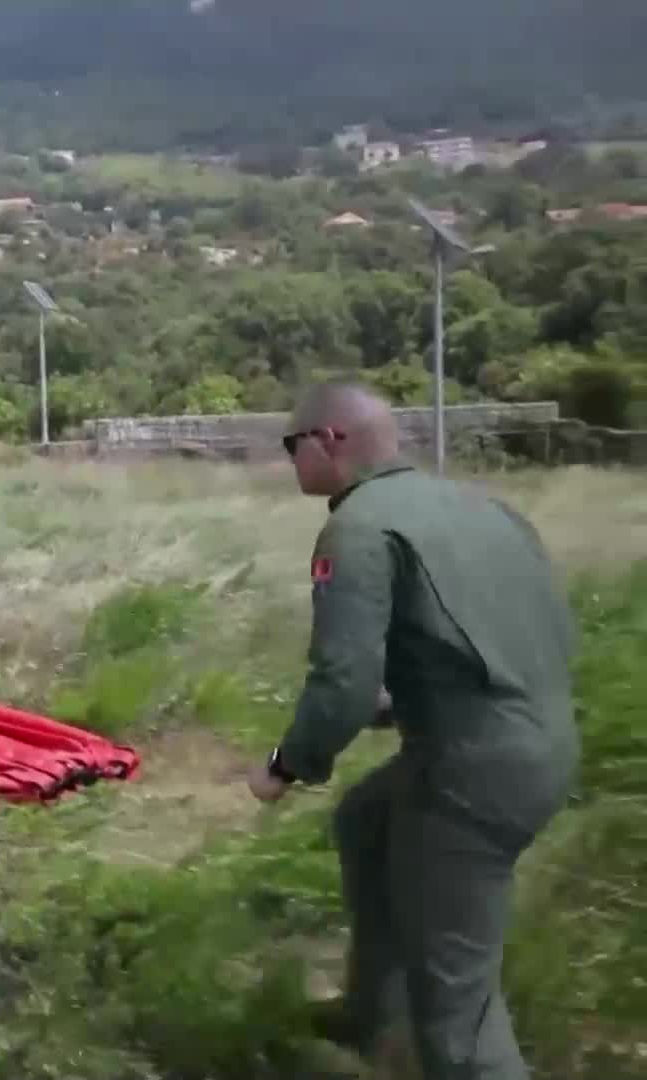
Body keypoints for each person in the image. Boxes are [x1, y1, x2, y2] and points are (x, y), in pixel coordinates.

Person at [248, 380, 580, 1079]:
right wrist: (410, 702)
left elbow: (340, 687)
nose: (290, 459)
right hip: (543, 742)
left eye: (292, 444)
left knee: (457, 999)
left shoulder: (358, 526)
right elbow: (526, 638)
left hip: (472, 773)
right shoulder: (485, 507)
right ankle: (372, 1015)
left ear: (330, 441)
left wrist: (284, 765)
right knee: (366, 821)